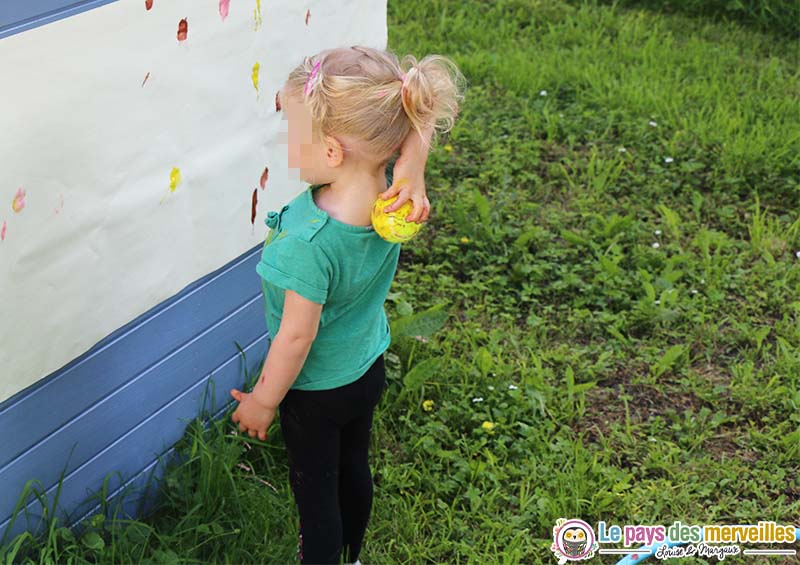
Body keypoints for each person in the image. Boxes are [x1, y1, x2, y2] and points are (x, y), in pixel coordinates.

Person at [230, 45, 465, 564]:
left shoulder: (307, 244)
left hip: (315, 393)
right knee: (354, 468)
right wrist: (415, 166)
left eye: (293, 133)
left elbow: (296, 337)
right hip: (366, 368)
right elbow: (414, 121)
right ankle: (353, 556)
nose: (288, 145)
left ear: (332, 152)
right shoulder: (392, 201)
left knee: (316, 496)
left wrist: (264, 402)